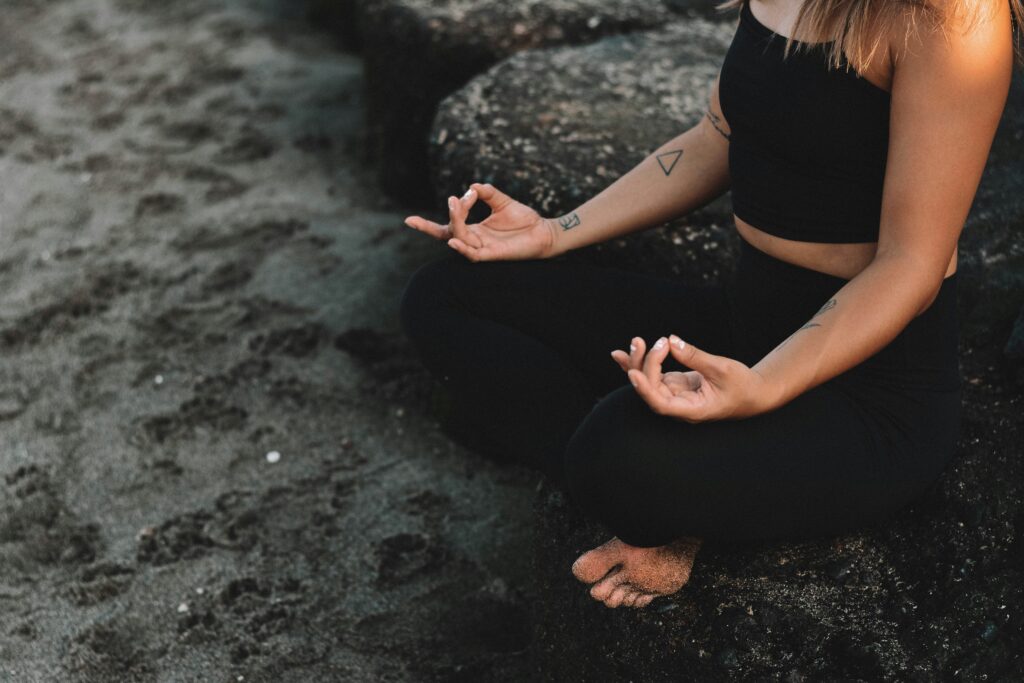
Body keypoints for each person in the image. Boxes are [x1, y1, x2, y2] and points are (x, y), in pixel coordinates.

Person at [398, 0, 1018, 609]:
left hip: (869, 391)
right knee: (449, 296)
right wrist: (556, 232)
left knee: (613, 453)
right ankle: (675, 493)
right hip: (743, 322)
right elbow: (716, 137)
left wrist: (764, 386)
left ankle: (664, 494)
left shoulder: (954, 19)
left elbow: (912, 265)